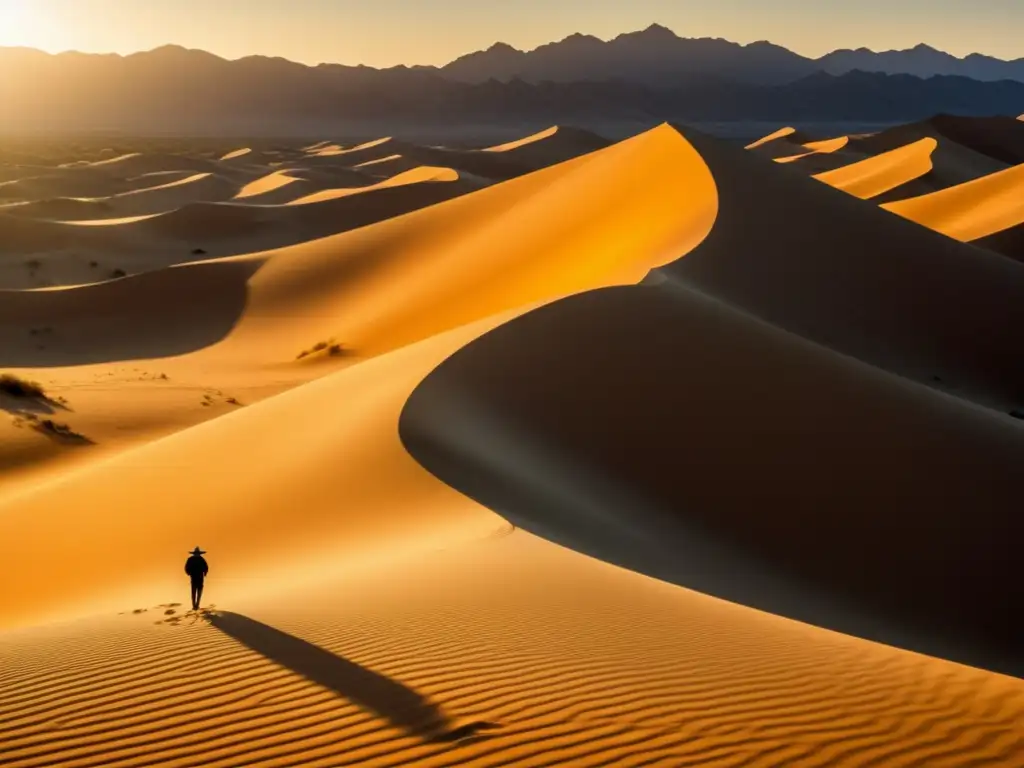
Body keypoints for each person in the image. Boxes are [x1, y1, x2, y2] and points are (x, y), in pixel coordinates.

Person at [184, 547, 209, 611]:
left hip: (196, 578)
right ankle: (196, 605)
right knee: (197, 591)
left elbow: (186, 568)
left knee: (195, 592)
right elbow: (206, 568)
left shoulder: (192, 559)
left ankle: (196, 605)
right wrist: (205, 573)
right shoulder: (201, 559)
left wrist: (189, 573)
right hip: (198, 578)